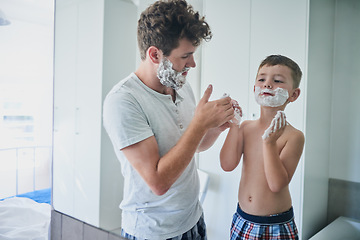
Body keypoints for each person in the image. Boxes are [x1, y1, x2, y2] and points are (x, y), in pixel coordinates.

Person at [103, 0, 235, 239]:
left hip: (193, 219)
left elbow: (192, 145)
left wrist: (215, 127)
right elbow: (158, 182)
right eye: (186, 56)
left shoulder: (179, 85)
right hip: (154, 231)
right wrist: (200, 123)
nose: (192, 64)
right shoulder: (123, 101)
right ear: (155, 54)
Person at [220, 55, 305, 240]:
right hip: (242, 219)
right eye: (262, 79)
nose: (267, 84)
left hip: (275, 225)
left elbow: (276, 185)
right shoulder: (245, 128)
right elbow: (227, 165)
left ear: (294, 94)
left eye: (277, 81)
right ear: (254, 88)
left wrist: (269, 143)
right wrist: (234, 126)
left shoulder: (294, 136)